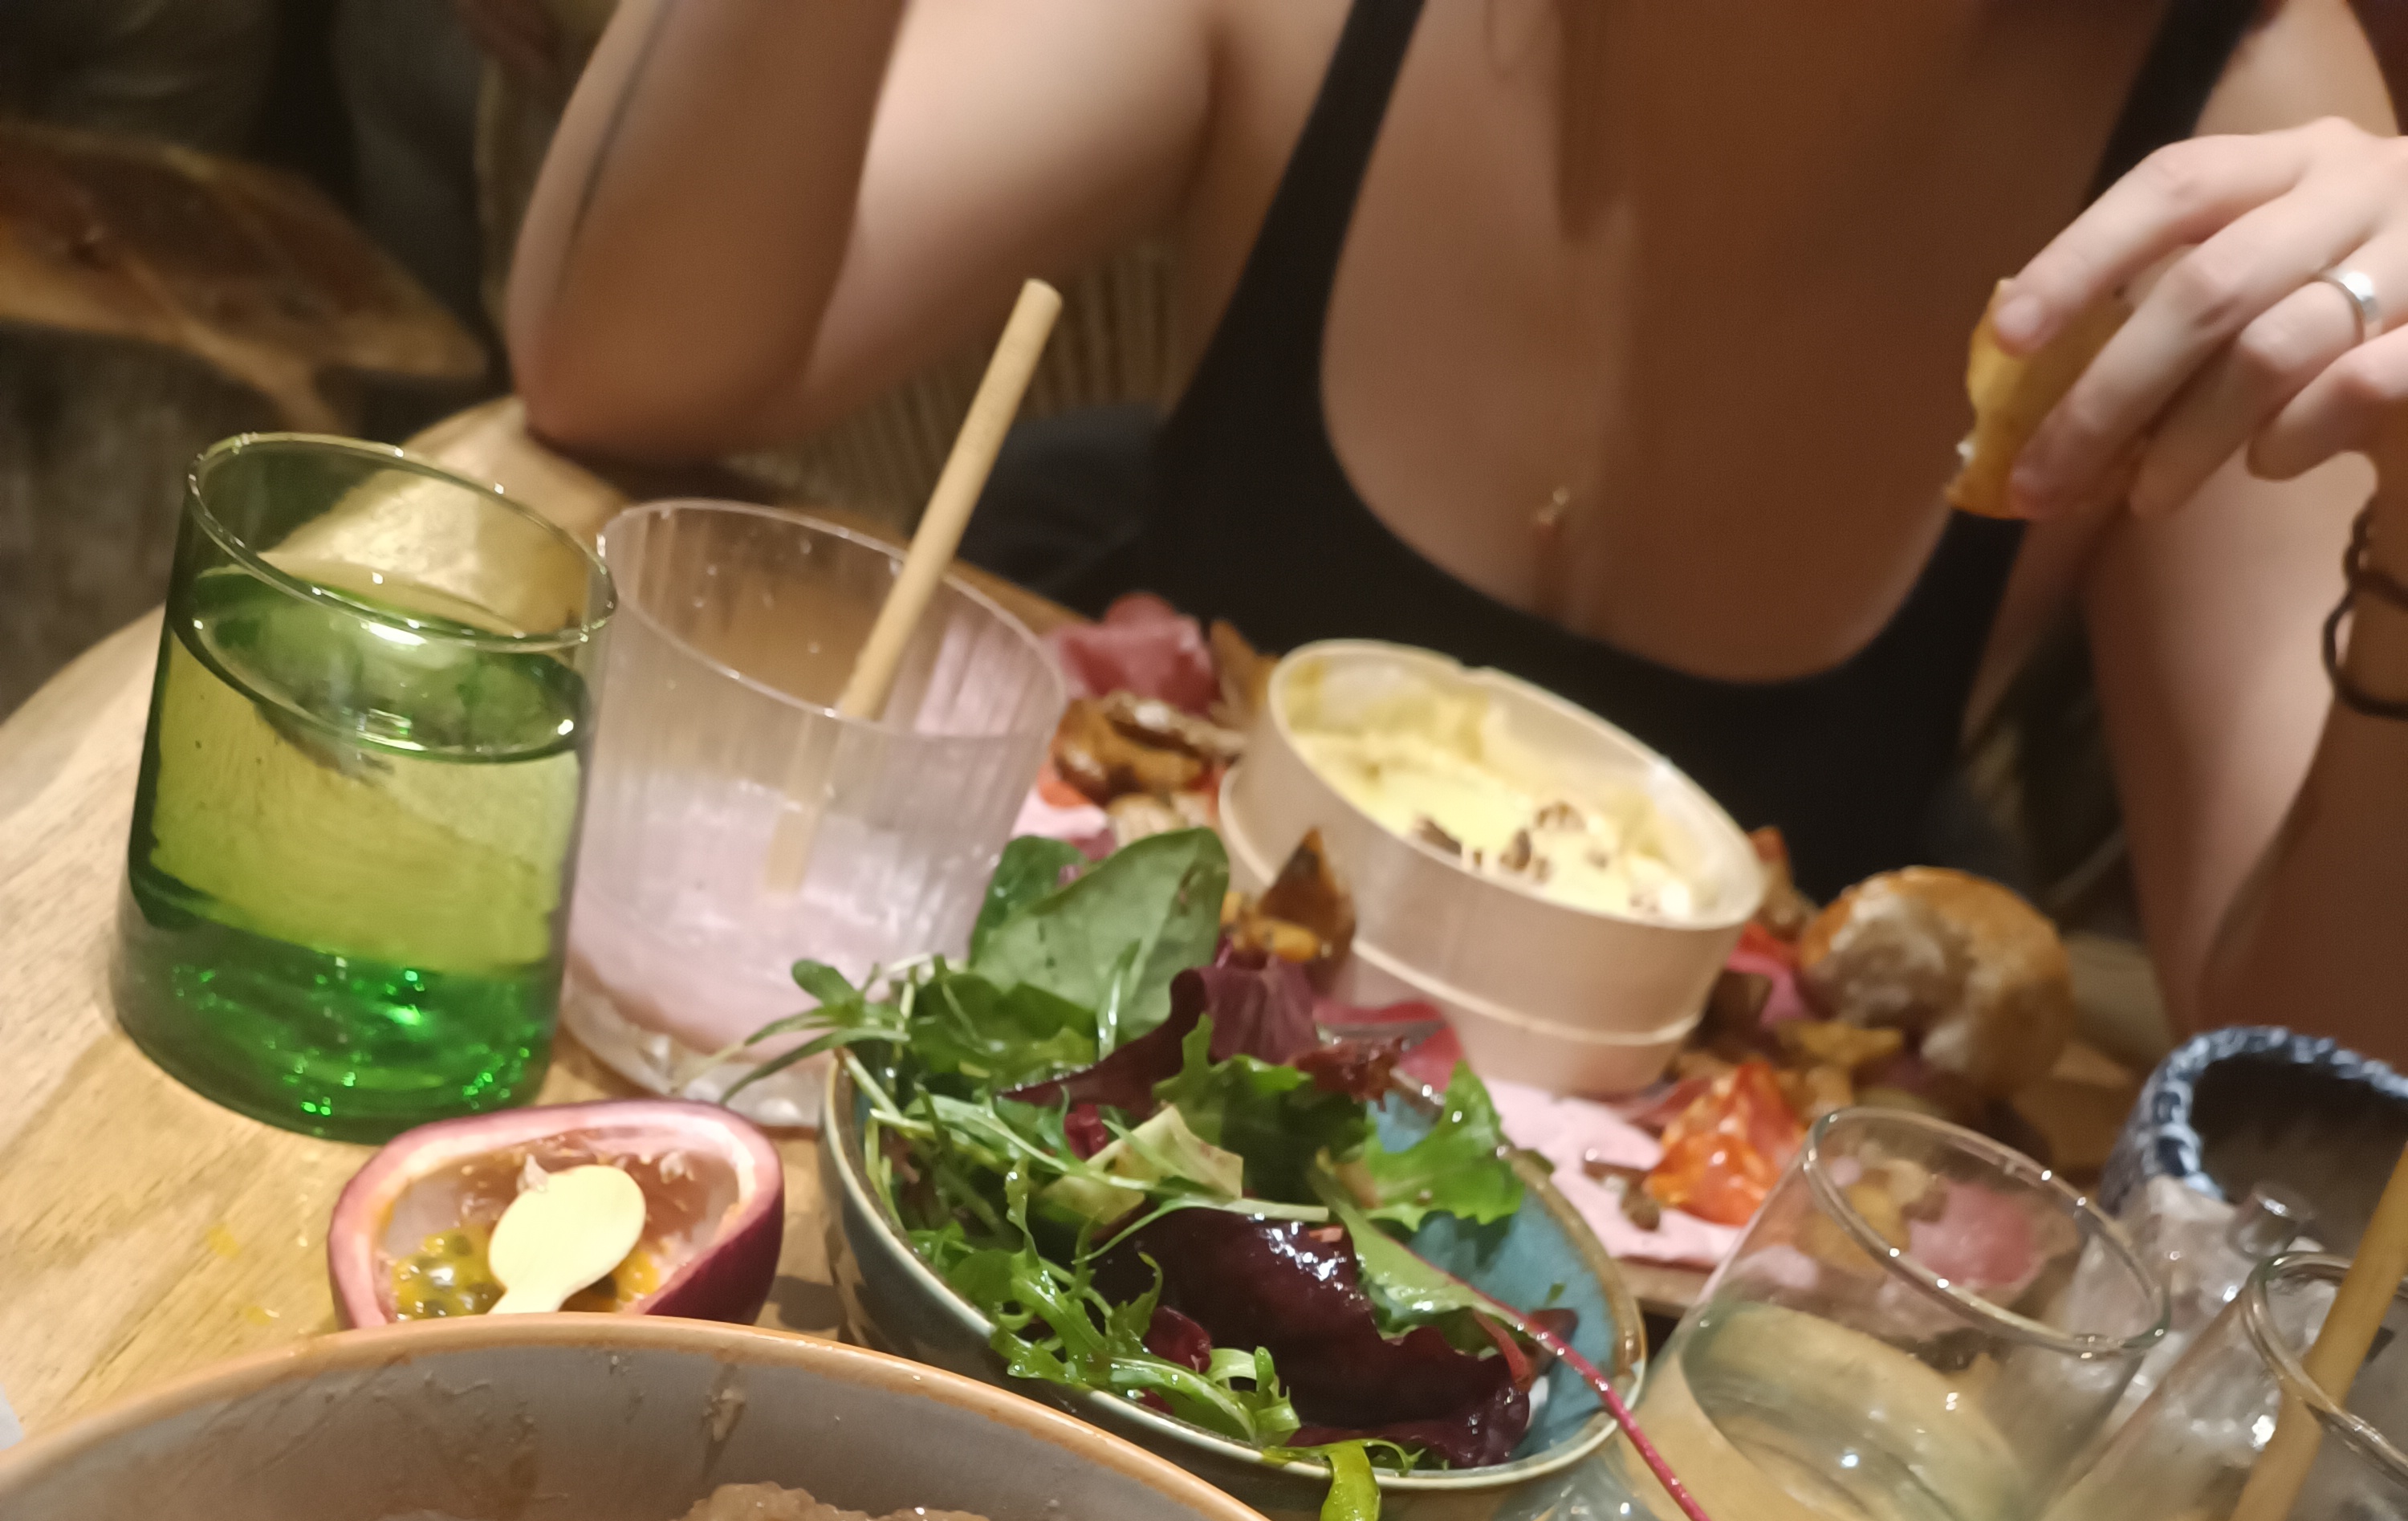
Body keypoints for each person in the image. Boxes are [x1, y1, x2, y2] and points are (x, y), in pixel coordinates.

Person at [506, 0, 2408, 1063]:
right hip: (1036, 1092)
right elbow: (620, 365)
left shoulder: (2241, 110)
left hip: (1621, 1369)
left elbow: (2323, 1079)